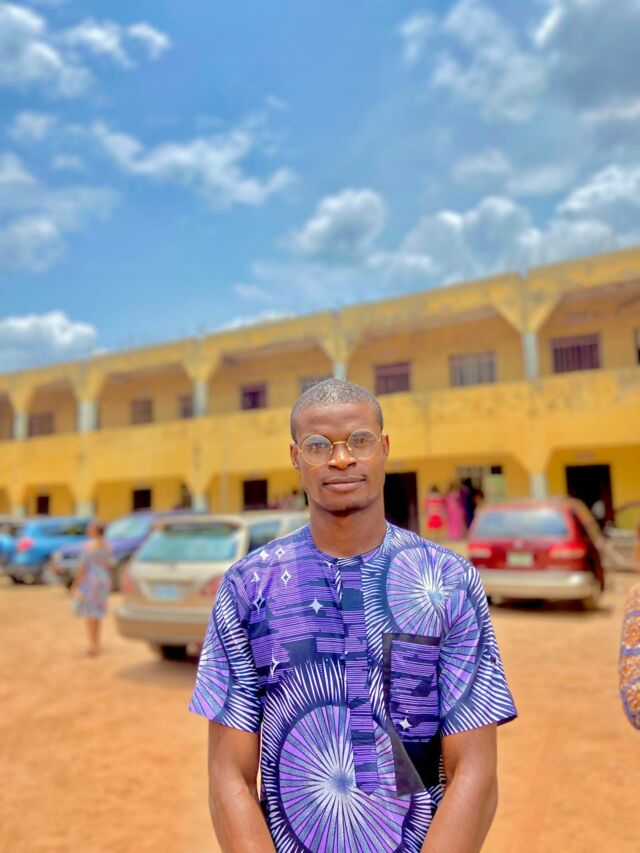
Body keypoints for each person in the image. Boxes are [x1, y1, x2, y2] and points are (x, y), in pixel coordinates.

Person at [190, 379, 516, 852]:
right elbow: (229, 776)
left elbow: (476, 772)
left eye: (359, 440)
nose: (341, 459)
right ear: (295, 458)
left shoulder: (445, 580)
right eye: (318, 446)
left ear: (384, 448)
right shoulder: (248, 586)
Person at [71, 521, 112, 656]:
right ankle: (97, 642)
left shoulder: (89, 546)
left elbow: (83, 567)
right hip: (103, 579)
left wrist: (76, 584)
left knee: (90, 613)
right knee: (97, 613)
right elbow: (108, 565)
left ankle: (93, 644)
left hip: (91, 579)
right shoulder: (106, 545)